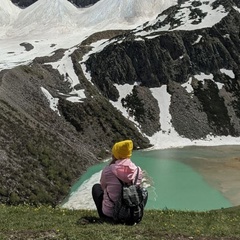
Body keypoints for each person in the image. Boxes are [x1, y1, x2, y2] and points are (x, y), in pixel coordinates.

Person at [92, 139, 147, 222]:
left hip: (111, 214)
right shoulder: (138, 170)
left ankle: (105, 218)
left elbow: (103, 187)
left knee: (96, 187)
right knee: (144, 191)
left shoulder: (108, 170)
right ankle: (136, 211)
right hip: (132, 214)